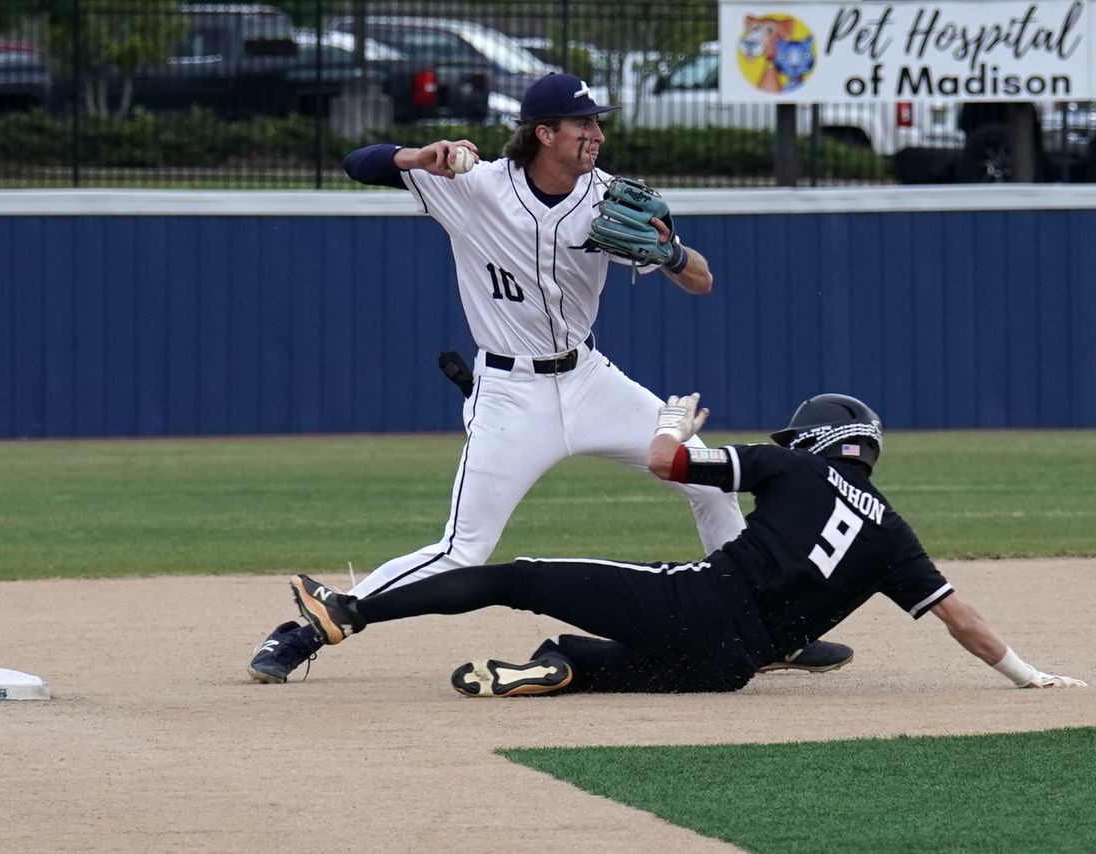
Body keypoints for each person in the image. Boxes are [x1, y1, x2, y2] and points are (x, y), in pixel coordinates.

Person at [247, 72, 850, 683]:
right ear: (544, 133)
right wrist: (415, 156)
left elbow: (702, 279)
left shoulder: (611, 196)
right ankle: (305, 633)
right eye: (582, 124)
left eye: (596, 122)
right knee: (464, 550)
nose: (597, 134)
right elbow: (358, 163)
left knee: (705, 477)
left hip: (590, 381)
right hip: (511, 394)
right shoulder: (473, 186)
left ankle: (770, 629)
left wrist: (669, 254)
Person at [252, 392, 1087, 696]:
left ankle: (348, 613)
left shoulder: (791, 471)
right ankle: (566, 666)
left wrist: (669, 422)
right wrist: (1027, 674)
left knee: (517, 574)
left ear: (819, 441)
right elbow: (961, 619)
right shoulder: (894, 536)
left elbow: (665, 463)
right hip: (729, 671)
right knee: (607, 658)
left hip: (689, 603)